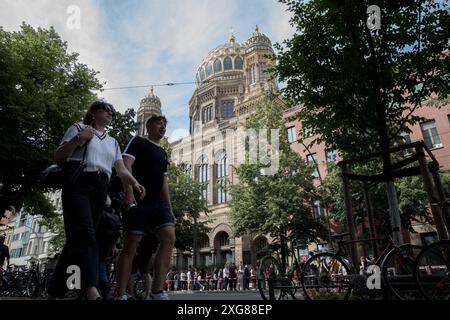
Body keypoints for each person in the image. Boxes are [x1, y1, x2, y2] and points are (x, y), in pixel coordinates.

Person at [47, 100, 145, 301]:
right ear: (94, 112)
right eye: (106, 109)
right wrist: (78, 140)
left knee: (77, 239)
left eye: (112, 111)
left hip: (101, 187)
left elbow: (121, 169)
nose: (110, 113)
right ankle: (91, 289)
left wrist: (134, 183)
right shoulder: (79, 128)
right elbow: (58, 157)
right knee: (86, 235)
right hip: (80, 182)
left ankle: (56, 289)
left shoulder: (112, 142)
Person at [115, 114, 176, 300]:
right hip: (139, 200)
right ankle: (121, 294)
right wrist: (129, 192)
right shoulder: (138, 142)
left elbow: (164, 182)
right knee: (131, 245)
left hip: (158, 203)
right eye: (159, 123)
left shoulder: (163, 152)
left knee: (169, 238)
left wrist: (170, 208)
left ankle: (157, 291)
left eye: (165, 124)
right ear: (148, 126)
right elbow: (126, 165)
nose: (163, 126)